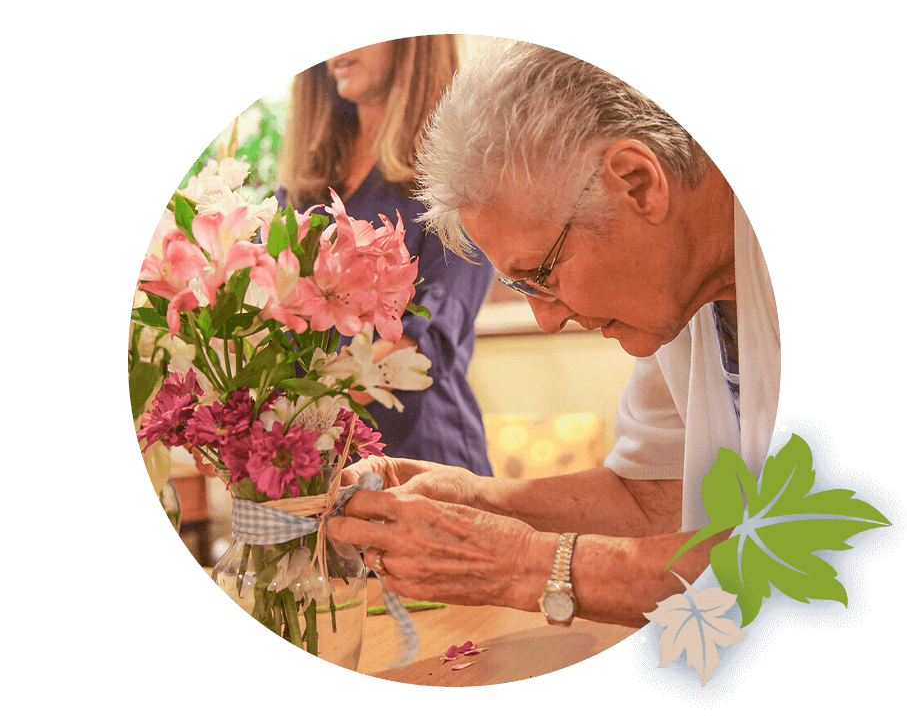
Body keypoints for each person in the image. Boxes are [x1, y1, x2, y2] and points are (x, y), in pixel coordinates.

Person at [326, 39, 781, 628]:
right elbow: (649, 501)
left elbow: (811, 546)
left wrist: (523, 565)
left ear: (637, 184)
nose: (548, 318)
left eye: (541, 274)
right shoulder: (676, 304)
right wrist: (473, 497)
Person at [274, 36, 495, 475]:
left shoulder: (463, 170)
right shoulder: (301, 187)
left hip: (419, 462)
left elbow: (427, 337)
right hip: (306, 467)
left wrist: (295, 415)